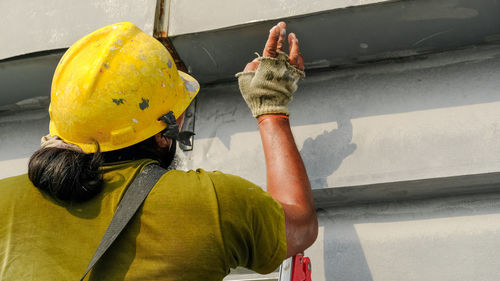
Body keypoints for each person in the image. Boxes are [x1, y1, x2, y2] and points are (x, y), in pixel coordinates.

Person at [0, 21, 317, 280]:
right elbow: (299, 226)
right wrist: (270, 108)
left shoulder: (5, 201)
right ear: (165, 133)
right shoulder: (211, 203)